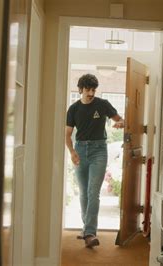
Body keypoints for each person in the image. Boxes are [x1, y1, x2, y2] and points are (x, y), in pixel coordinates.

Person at [65, 73, 124, 248]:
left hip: (99, 150)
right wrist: (72, 152)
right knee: (83, 192)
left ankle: (90, 232)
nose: (91, 93)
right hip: (80, 150)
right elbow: (67, 134)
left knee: (93, 192)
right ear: (81, 89)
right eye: (88, 89)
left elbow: (120, 120)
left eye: (93, 89)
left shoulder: (103, 105)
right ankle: (86, 229)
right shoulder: (73, 109)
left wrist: (121, 123)